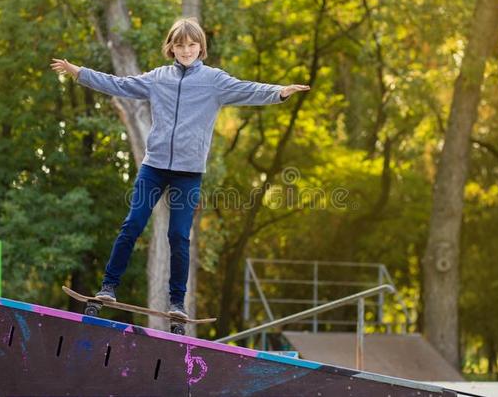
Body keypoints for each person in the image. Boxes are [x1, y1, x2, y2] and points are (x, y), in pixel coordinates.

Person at [50, 17, 310, 320]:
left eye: (192, 44)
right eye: (180, 44)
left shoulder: (214, 81)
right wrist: (79, 73)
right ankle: (109, 286)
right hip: (154, 167)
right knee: (132, 224)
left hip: (188, 173)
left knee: (178, 235)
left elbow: (247, 89)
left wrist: (279, 92)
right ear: (171, 47)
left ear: (200, 47)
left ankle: (176, 302)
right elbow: (120, 84)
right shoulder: (158, 78)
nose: (186, 49)